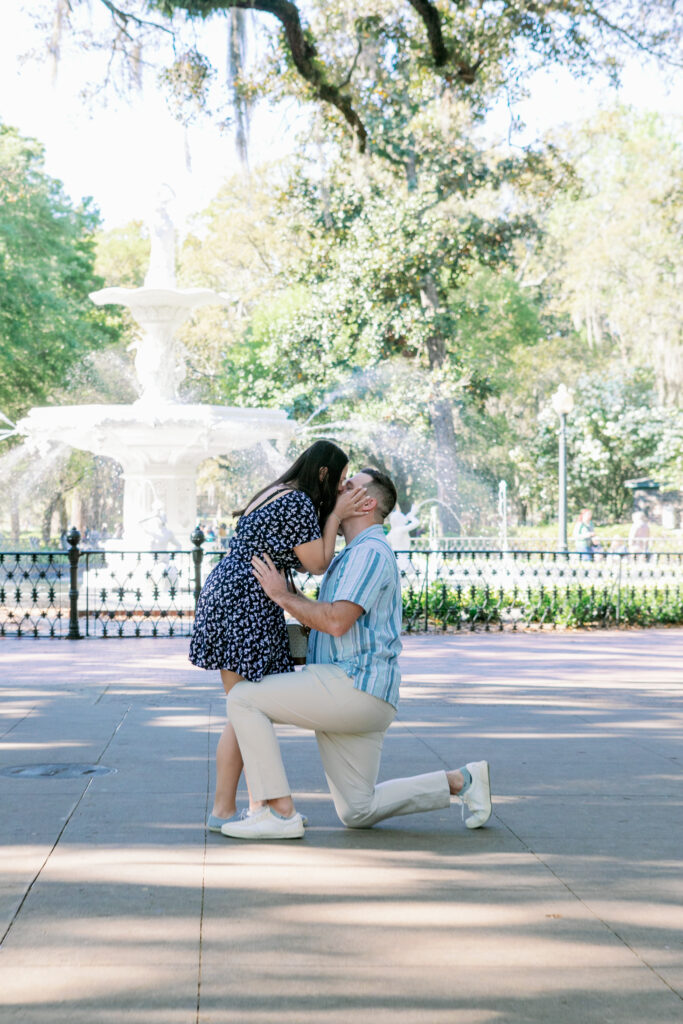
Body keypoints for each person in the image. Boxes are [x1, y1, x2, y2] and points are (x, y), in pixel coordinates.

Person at [220, 467, 492, 841]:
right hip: (361, 695)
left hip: (353, 687)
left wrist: (282, 596)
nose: (339, 489)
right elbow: (329, 624)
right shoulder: (352, 556)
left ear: (367, 502)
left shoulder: (370, 553)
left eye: (349, 486)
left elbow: (335, 621)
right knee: (358, 809)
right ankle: (463, 781)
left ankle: (279, 813)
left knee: (244, 700)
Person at [189, 440, 367, 832]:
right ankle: (227, 811)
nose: (341, 487)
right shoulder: (300, 502)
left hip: (236, 594)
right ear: (323, 473)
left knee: (245, 708)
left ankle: (257, 808)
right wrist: (336, 516)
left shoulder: (278, 492)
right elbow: (318, 563)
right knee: (244, 707)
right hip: (244, 600)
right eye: (339, 479)